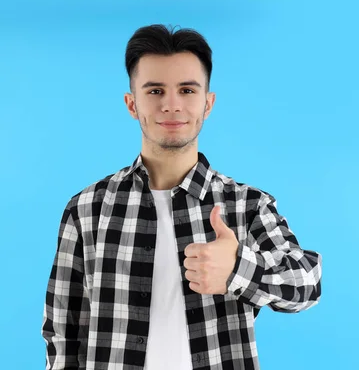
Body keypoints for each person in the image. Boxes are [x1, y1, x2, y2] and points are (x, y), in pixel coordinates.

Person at [41, 24, 323, 370]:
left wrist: (237, 269)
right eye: (155, 90)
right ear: (132, 104)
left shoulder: (246, 205)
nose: (171, 105)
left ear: (208, 103)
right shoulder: (87, 209)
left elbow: (308, 283)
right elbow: (63, 331)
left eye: (187, 90)